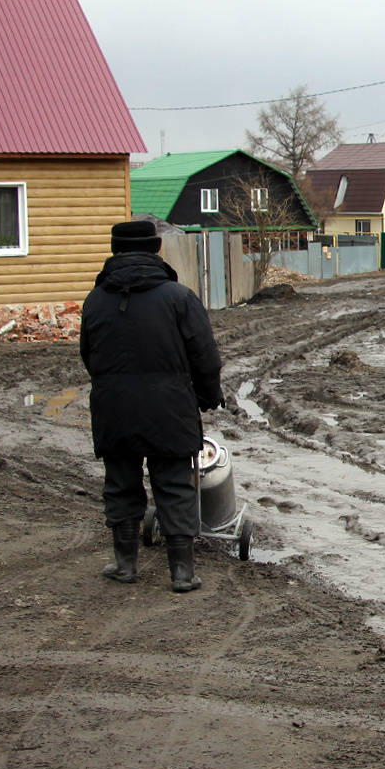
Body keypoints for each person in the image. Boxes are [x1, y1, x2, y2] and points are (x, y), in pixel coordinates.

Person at [79, 220, 224, 592]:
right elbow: (204, 355)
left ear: (115, 251)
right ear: (156, 249)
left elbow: (88, 356)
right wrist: (208, 395)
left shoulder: (95, 300)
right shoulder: (178, 297)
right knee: (175, 484)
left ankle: (125, 565)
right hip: (169, 407)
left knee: (121, 484)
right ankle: (181, 573)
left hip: (114, 408)